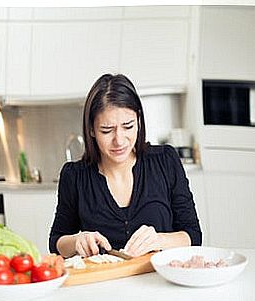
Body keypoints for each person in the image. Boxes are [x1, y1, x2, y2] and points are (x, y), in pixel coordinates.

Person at [49, 74, 202, 258]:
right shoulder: (74, 176)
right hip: (105, 283)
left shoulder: (165, 161)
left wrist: (159, 240)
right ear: (91, 130)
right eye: (106, 130)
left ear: (138, 120)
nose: (119, 140)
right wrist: (77, 240)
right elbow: (56, 242)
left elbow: (193, 235)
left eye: (128, 126)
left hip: (160, 281)